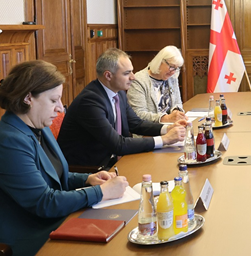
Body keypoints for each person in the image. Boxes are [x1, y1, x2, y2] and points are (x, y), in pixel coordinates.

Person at [0, 60, 129, 256]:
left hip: (38, 224)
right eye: (54, 100)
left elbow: (50, 174)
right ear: (28, 98)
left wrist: (88, 179)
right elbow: (44, 202)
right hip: (13, 244)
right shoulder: (8, 142)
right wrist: (101, 193)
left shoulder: (38, 127)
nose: (60, 108)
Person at [58, 48, 186, 168]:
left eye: (132, 71)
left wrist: (167, 128)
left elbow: (136, 124)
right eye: (127, 73)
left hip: (114, 160)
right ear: (108, 76)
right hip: (91, 169)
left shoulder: (119, 93)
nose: (133, 77)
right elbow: (118, 144)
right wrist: (164, 139)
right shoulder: (90, 101)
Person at [128, 45, 188, 123]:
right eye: (171, 66)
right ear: (160, 61)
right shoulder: (139, 80)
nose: (173, 72)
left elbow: (177, 102)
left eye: (176, 68)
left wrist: (176, 112)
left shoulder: (172, 77)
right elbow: (138, 114)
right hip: (150, 128)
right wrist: (166, 118)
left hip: (171, 125)